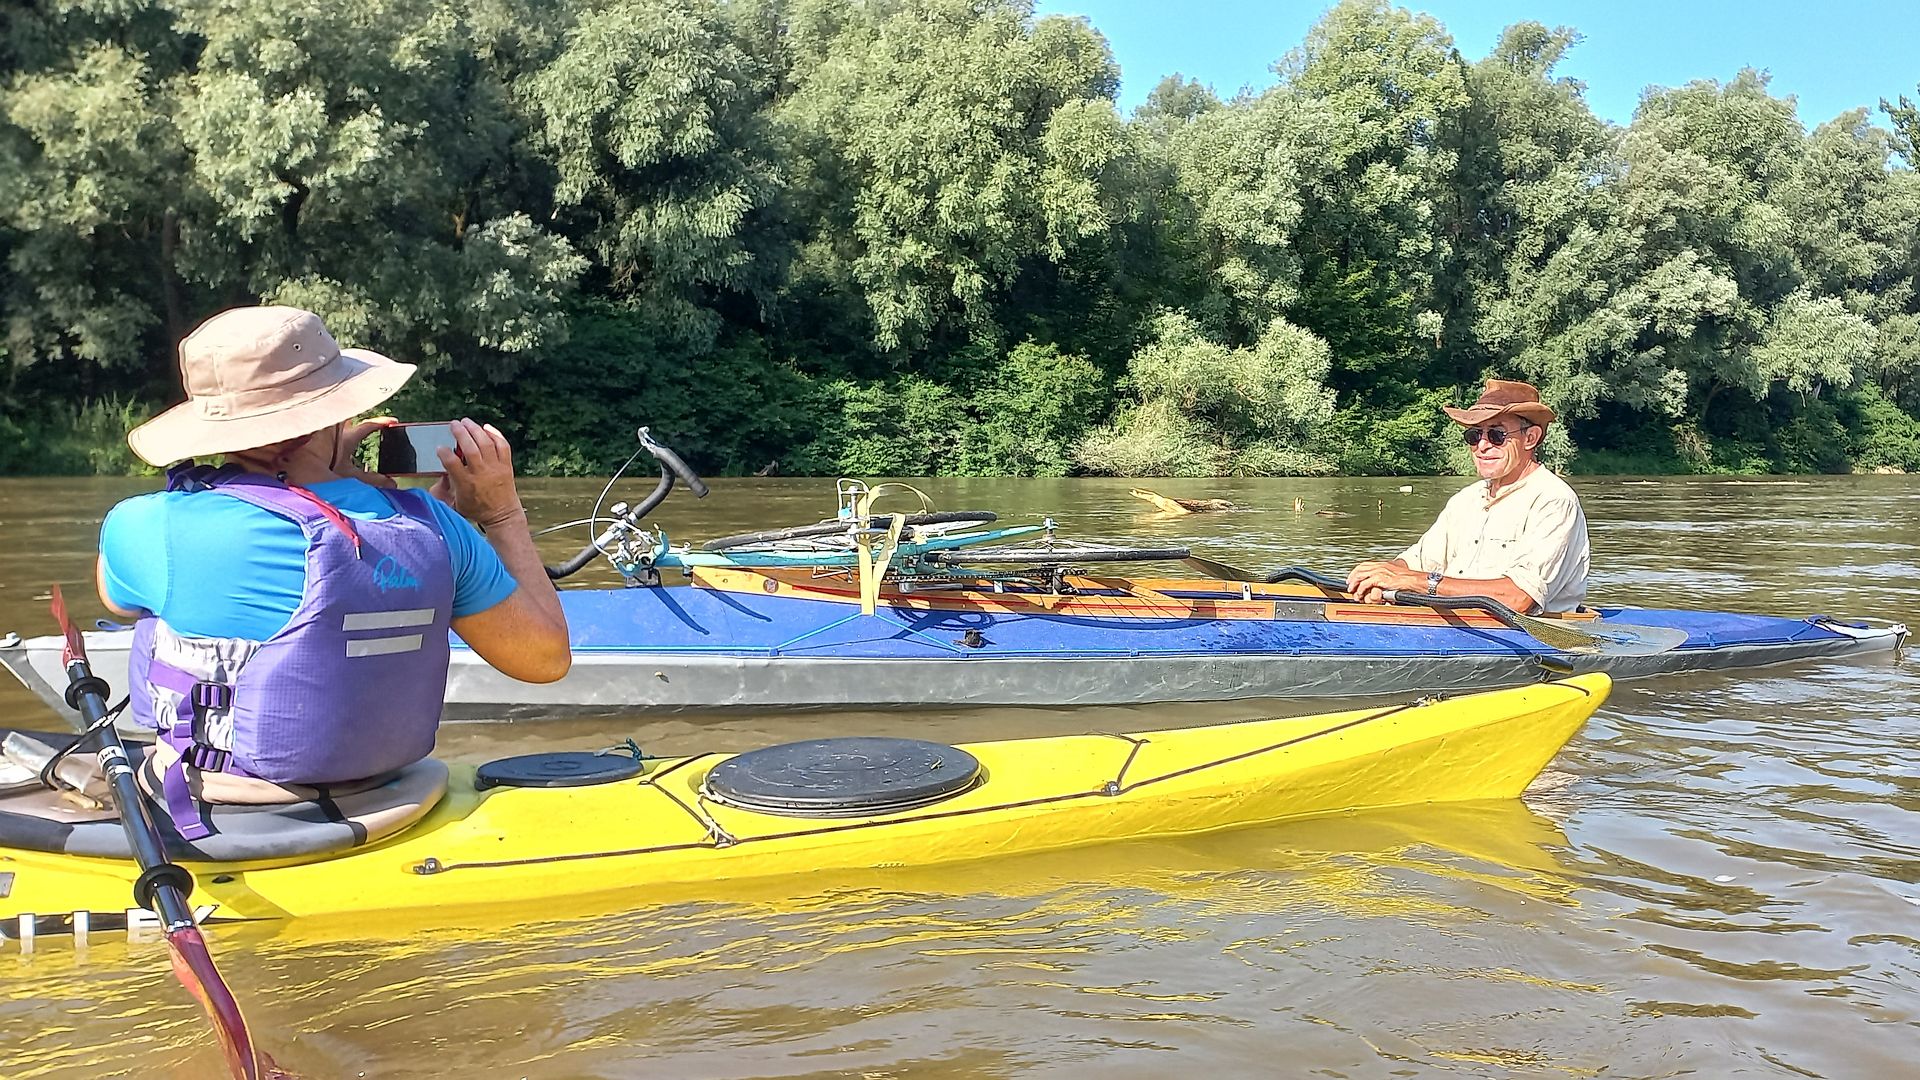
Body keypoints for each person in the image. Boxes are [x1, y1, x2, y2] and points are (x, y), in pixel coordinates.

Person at [94, 305, 570, 839]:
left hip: (224, 802)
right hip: (391, 796)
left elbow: (118, 600)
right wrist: (501, 514)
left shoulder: (146, 524)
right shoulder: (434, 526)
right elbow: (545, 659)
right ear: (337, 414)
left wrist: (326, 479)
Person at [1346, 379, 1590, 615]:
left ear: (1530, 439)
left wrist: (1413, 581)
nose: (1482, 445)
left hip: (1529, 638)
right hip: (1455, 627)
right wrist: (1378, 576)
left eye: (1497, 435)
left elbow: (1519, 598)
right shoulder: (1466, 499)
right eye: (1474, 436)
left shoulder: (1553, 500)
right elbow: (1417, 563)